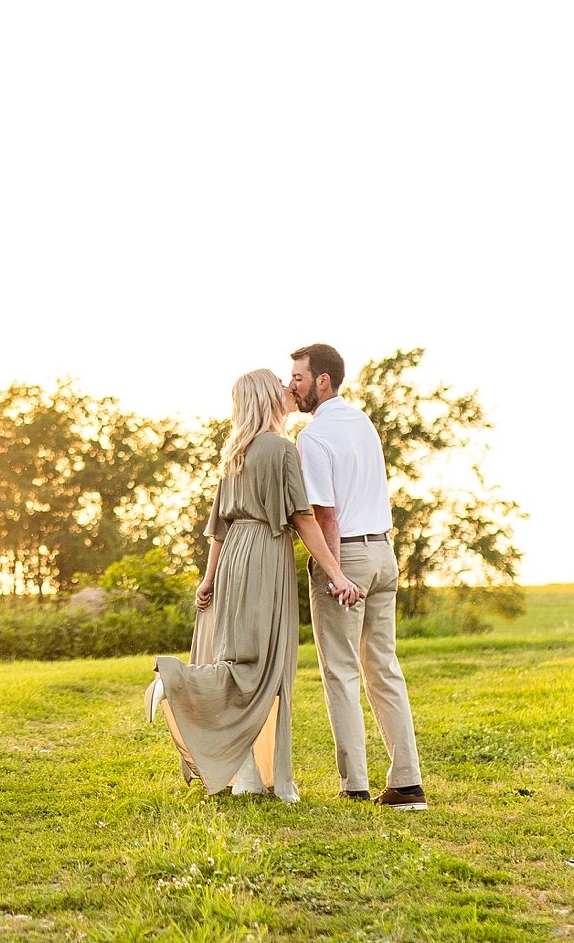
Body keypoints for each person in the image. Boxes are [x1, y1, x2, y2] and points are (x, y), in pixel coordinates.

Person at [146, 368, 363, 801]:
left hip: (232, 560)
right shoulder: (282, 451)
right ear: (267, 397)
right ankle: (175, 680)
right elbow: (303, 520)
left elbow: (219, 530)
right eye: (281, 386)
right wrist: (337, 573)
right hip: (266, 556)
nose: (289, 389)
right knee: (264, 669)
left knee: (242, 660)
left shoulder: (234, 454)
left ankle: (248, 777)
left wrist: (208, 580)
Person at [289, 342, 426, 809]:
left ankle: (354, 785)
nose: (293, 387)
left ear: (322, 380)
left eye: (299, 379)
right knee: (384, 669)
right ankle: (408, 783)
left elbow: (325, 515)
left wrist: (332, 571)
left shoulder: (312, 437)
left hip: (345, 557)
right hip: (384, 554)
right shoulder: (363, 423)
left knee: (342, 672)